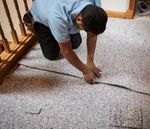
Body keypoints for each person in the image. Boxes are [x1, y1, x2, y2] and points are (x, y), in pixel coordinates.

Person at [23, 0, 108, 84]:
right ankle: (33, 23)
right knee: (51, 54)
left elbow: (92, 34)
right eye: (85, 29)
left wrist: (90, 61)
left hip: (61, 14)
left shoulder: (94, 4)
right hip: (42, 18)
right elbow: (66, 51)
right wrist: (85, 71)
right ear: (79, 19)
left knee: (76, 43)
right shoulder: (56, 17)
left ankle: (59, 33)